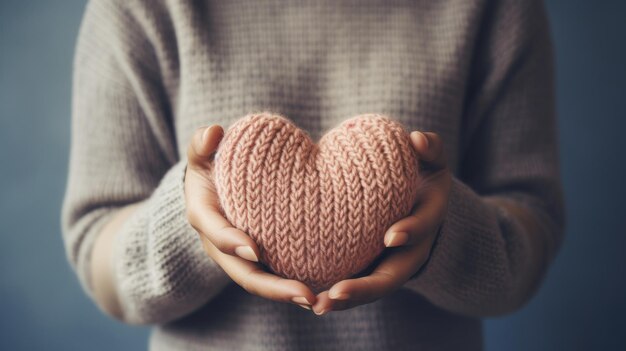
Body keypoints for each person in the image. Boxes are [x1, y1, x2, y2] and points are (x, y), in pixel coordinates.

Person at [61, 0, 565, 350]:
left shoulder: (494, 8)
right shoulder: (138, 9)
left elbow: (532, 226)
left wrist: (442, 233)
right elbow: (94, 249)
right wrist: (195, 224)